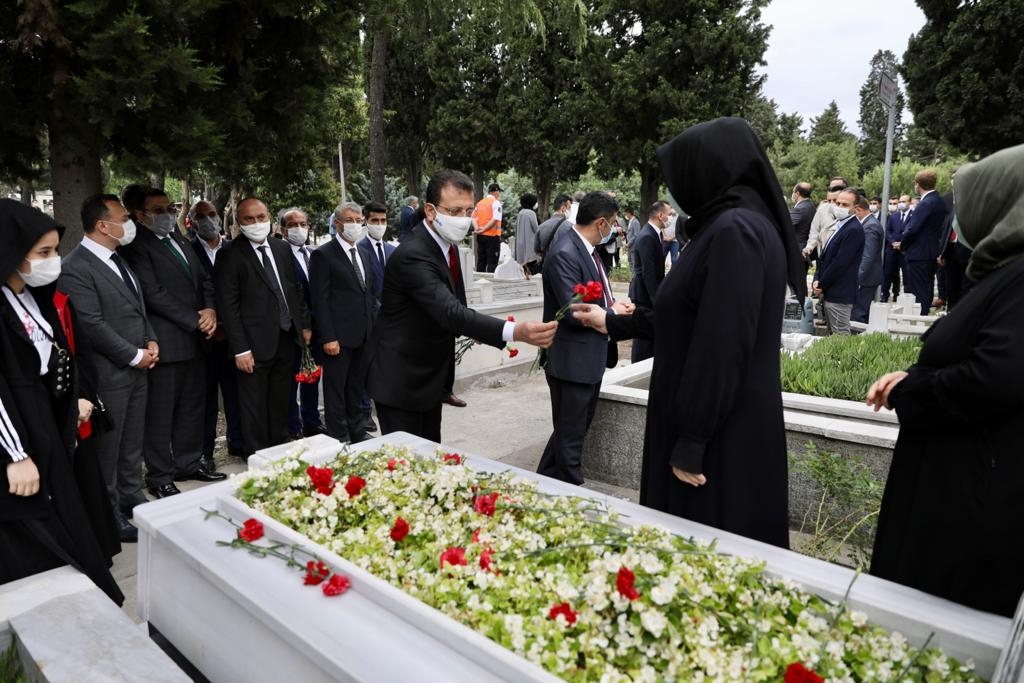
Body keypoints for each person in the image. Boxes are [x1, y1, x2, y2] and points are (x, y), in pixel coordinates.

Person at [571, 118, 806, 548]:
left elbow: (723, 342)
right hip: (718, 422)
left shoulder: (735, 231)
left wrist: (694, 438)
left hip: (718, 437)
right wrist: (611, 322)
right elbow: (686, 315)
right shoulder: (733, 226)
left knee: (707, 553)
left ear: (709, 170)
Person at [866, 143, 1024, 617]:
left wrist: (913, 390)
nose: (959, 219)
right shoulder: (1002, 272)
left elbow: (996, 376)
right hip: (962, 479)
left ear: (1001, 202)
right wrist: (914, 374)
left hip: (967, 501)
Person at [366, 169, 557, 442]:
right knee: (406, 470)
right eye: (454, 211)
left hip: (430, 379)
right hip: (402, 381)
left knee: (432, 461)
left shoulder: (447, 244)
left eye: (468, 212)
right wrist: (514, 331)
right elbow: (449, 311)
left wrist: (475, 330)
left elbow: (456, 300)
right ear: (431, 211)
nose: (463, 220)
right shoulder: (414, 254)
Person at [0, 199, 123, 603]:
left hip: (49, 429)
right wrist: (15, 455)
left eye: (54, 251)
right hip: (17, 437)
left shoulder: (33, 297)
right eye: (43, 253)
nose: (53, 262)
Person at [59, 194, 157, 540]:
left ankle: (132, 499)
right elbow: (91, 323)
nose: (129, 223)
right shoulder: (75, 266)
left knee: (132, 444)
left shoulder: (118, 259)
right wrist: (133, 354)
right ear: (103, 225)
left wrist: (151, 339)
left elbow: (137, 308)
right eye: (123, 217)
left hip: (138, 367)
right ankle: (109, 512)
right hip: (110, 373)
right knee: (108, 450)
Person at [122, 189, 225, 497]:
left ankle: (189, 463)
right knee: (161, 414)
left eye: (171, 207)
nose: (168, 214)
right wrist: (195, 319)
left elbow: (203, 279)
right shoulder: (137, 246)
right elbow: (153, 294)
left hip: (196, 341)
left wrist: (209, 310)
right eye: (159, 209)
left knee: (191, 408)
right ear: (140, 215)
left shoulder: (179, 239)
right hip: (166, 342)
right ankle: (160, 475)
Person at [536, 192, 623, 485]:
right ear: (600, 222)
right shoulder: (565, 253)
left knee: (570, 429)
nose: (613, 229)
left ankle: (544, 479)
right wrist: (613, 311)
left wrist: (614, 309)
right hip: (571, 360)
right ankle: (574, 490)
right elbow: (574, 312)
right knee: (571, 436)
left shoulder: (587, 250)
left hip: (588, 358)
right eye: (612, 223)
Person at [215, 197, 311, 455]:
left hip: (285, 338)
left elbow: (294, 291)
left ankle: (278, 450)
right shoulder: (230, 255)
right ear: (239, 222)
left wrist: (303, 326)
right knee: (253, 405)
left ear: (269, 217)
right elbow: (228, 306)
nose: (257, 223)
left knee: (281, 400)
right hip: (252, 346)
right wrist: (240, 349)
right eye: (249, 219)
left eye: (261, 217)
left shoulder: (281, 249)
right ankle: (256, 454)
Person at [309, 202, 376, 444]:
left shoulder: (365, 254)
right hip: (337, 337)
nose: (355, 224)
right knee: (336, 389)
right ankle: (338, 433)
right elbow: (320, 299)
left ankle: (357, 430)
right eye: (349, 220)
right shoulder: (323, 255)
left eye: (359, 220)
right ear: (337, 223)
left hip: (364, 335)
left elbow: (369, 295)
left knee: (356, 388)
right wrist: (328, 336)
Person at [188, 201, 246, 459]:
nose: (208, 220)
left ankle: (239, 442)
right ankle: (205, 453)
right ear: (191, 221)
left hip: (234, 338)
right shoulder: (187, 251)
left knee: (237, 395)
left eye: (211, 214)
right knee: (206, 400)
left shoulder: (235, 249)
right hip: (204, 339)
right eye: (201, 216)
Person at [280, 206, 326, 439]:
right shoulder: (280, 256)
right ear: (282, 230)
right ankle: (292, 425)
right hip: (295, 329)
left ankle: (311, 421)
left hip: (319, 327)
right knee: (292, 380)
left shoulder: (313, 253)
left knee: (312, 376)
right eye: (292, 225)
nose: (299, 229)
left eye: (303, 224)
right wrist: (304, 325)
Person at [813, 189, 865, 336]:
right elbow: (824, 258)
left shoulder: (853, 229)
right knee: (832, 336)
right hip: (830, 291)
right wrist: (817, 279)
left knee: (840, 336)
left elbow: (840, 263)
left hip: (840, 293)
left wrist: (821, 284)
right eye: (838, 203)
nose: (839, 207)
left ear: (855, 208)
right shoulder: (839, 225)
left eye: (845, 204)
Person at [899, 170, 948, 314]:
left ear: (918, 185)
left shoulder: (926, 203)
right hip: (931, 250)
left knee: (919, 289)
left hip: (919, 252)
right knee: (926, 286)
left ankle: (920, 316)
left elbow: (913, 229)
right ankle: (924, 313)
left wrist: (903, 244)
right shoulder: (938, 200)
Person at [629, 200, 670, 362]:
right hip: (644, 294)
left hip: (647, 292)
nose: (670, 218)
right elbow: (648, 272)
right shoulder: (647, 235)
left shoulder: (653, 233)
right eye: (669, 214)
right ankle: (637, 364)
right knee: (642, 336)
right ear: (660, 215)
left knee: (648, 334)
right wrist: (656, 299)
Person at [852, 192, 884, 324]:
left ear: (858, 209)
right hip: (866, 278)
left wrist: (857, 279)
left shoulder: (870, 227)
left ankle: (856, 343)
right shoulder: (869, 224)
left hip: (866, 279)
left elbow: (868, 256)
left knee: (858, 314)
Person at [473, 183, 503, 273]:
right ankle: (490, 284)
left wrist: (477, 229)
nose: (499, 194)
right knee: (492, 262)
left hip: (481, 236)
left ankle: (478, 282)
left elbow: (474, 218)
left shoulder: (480, 203)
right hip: (492, 236)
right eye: (499, 192)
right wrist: (484, 229)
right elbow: (495, 219)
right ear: (496, 192)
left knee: (481, 261)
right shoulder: (496, 203)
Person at [535, 194, 572, 260]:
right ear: (563, 208)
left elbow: (537, 250)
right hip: (564, 266)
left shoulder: (541, 227)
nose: (570, 211)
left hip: (547, 266)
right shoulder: (570, 227)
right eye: (569, 208)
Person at [789, 183, 815, 270]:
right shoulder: (811, 206)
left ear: (797, 193)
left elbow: (786, 225)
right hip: (804, 252)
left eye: (793, 192)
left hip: (796, 253)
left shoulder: (799, 209)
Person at [514, 193, 541, 275]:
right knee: (533, 270)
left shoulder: (520, 213)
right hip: (530, 245)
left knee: (524, 270)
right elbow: (536, 229)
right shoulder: (531, 213)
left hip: (521, 245)